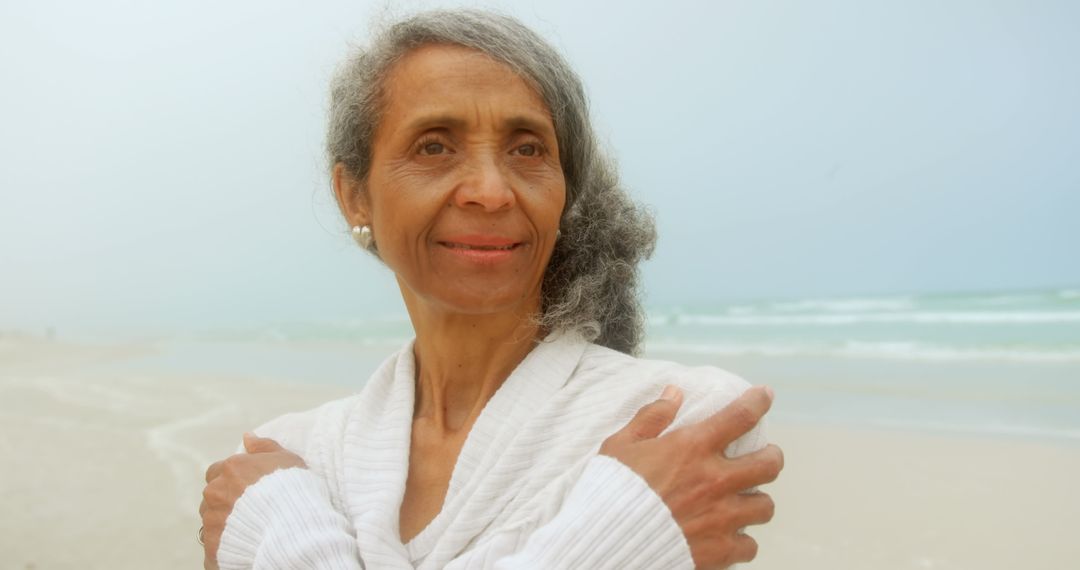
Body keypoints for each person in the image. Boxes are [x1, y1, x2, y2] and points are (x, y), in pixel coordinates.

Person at [200, 9, 783, 570]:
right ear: (354, 194)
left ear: (565, 193)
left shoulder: (677, 420)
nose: (490, 190)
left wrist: (289, 536)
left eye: (528, 149)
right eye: (435, 146)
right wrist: (619, 533)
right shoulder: (295, 448)